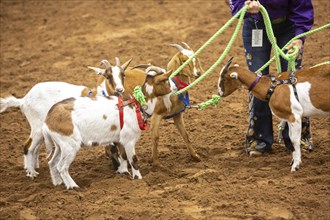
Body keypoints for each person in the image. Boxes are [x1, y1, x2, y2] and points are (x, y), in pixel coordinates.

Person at [228, 0, 314, 156]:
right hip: (255, 24)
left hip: (290, 24)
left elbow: (302, 4)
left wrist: (299, 36)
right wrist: (246, 7)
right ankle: (259, 138)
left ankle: (298, 136)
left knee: (292, 79)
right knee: (257, 80)